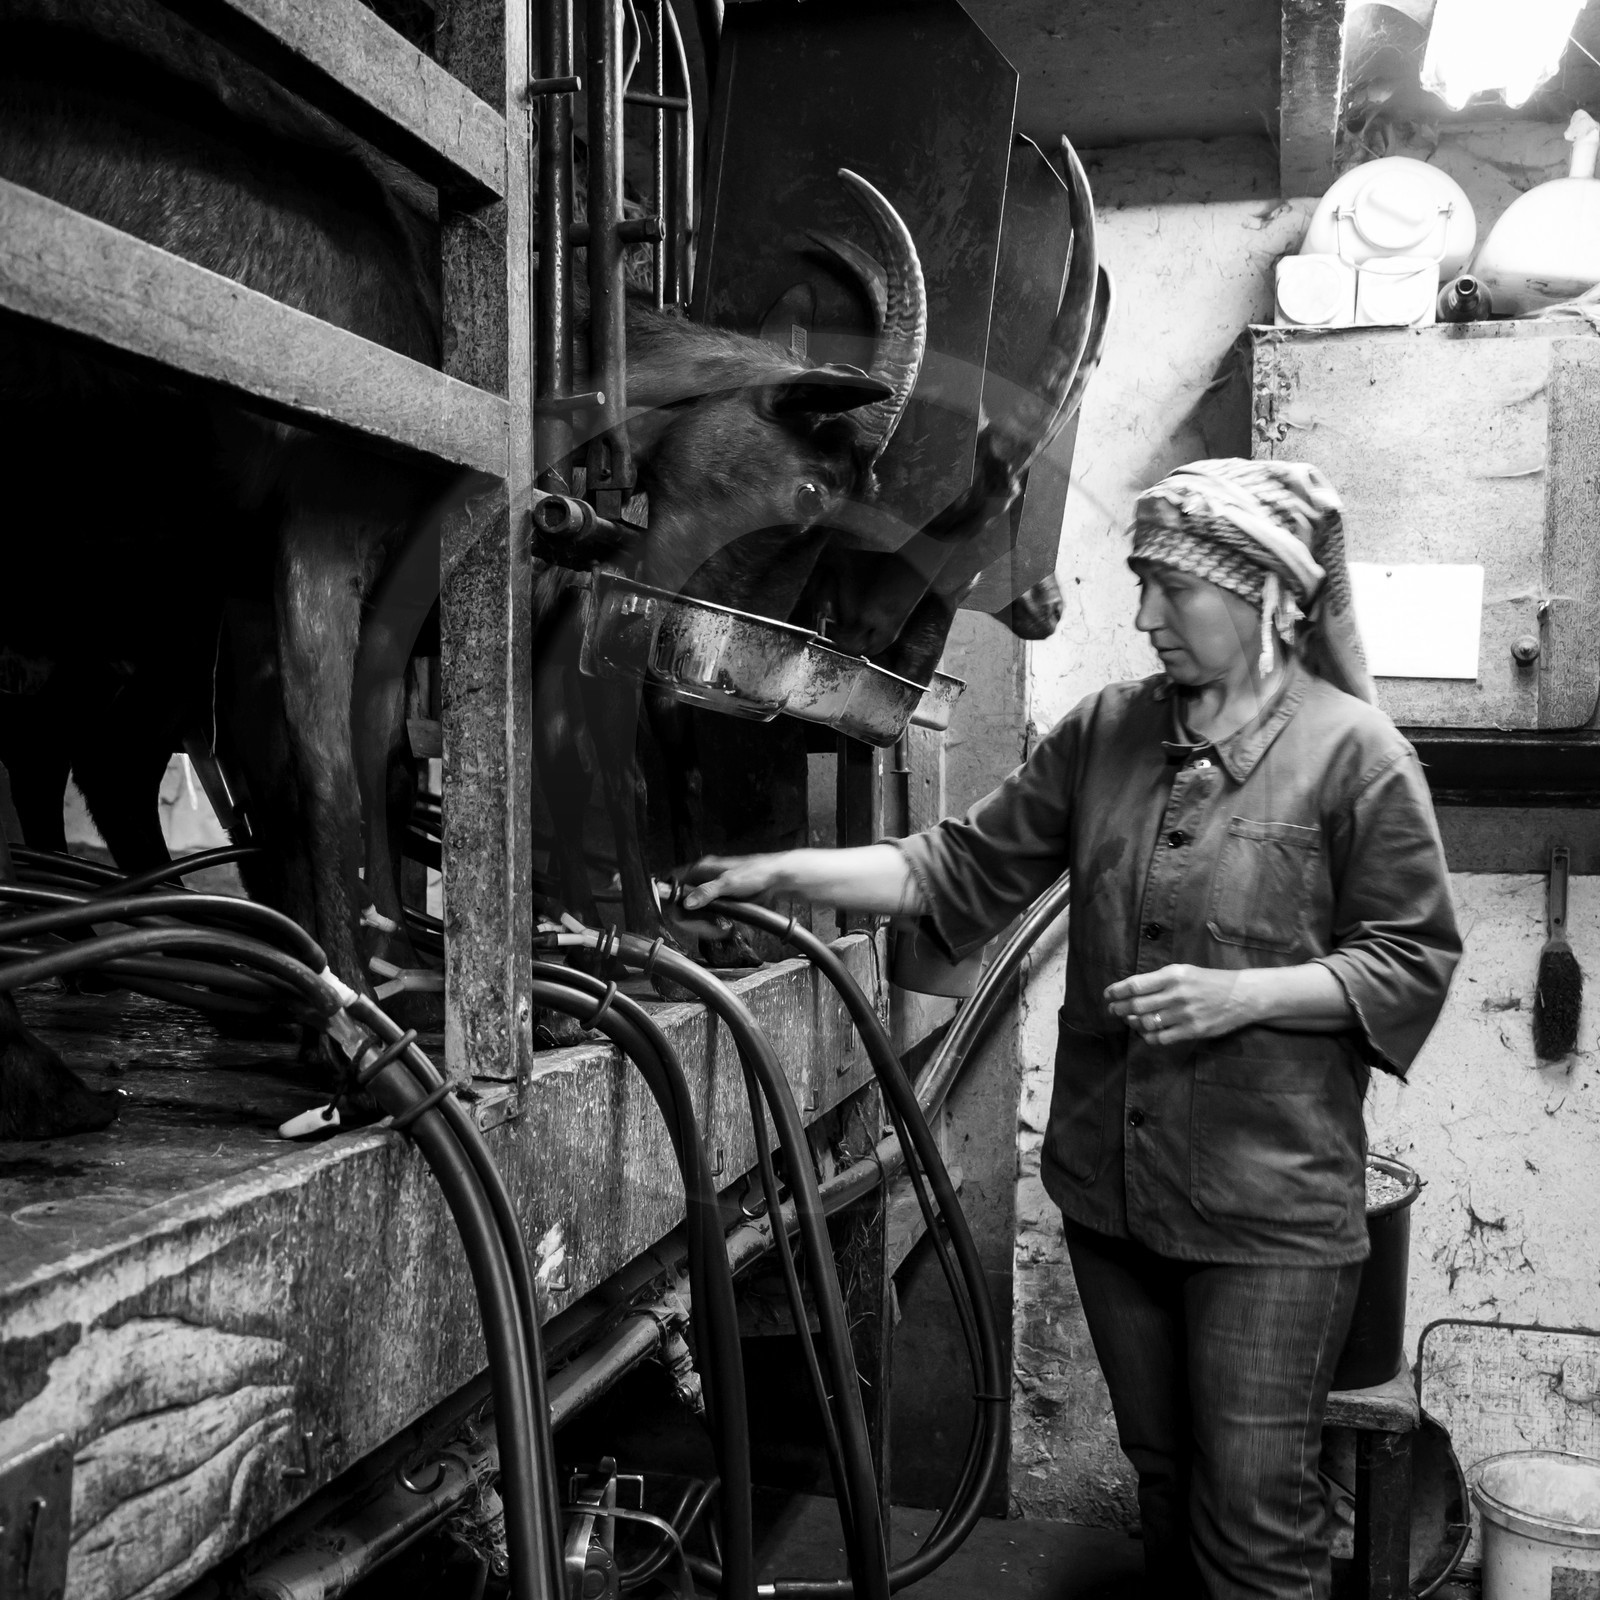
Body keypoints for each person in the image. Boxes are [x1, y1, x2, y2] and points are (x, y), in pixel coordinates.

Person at [680, 458, 1462, 1600]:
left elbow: (1411, 957)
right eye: (1139, 584)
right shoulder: (1107, 734)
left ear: (1258, 596)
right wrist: (783, 866)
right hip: (1111, 1193)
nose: (1143, 616)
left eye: (1170, 591)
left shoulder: (1354, 754)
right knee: (1164, 1484)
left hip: (1269, 1213)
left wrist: (1240, 995)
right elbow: (958, 865)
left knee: (1255, 1518)